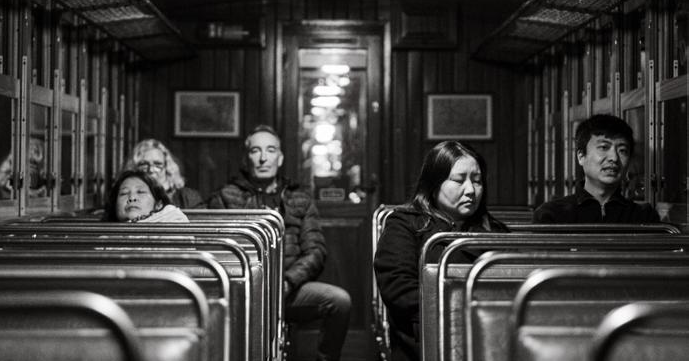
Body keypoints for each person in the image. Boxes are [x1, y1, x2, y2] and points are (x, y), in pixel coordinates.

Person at [207, 124, 351, 361]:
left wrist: (287, 282)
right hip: (241, 289)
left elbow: (315, 251)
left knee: (339, 301)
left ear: (280, 158)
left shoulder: (299, 199)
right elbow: (216, 249)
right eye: (256, 151)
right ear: (247, 158)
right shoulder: (225, 196)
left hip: (288, 289)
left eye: (270, 150)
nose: (263, 158)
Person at [373, 141, 508, 361]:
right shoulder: (405, 224)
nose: (470, 190)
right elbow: (398, 288)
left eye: (477, 181)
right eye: (459, 180)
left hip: (492, 335)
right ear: (434, 184)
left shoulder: (495, 231)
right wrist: (461, 311)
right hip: (426, 336)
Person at [533, 114, 660, 224]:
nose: (614, 158)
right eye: (604, 147)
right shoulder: (552, 215)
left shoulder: (643, 217)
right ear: (581, 156)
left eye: (622, 150)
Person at [125, 139, 205, 209]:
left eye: (157, 164)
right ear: (134, 168)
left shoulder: (188, 197)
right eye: (144, 164)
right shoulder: (127, 196)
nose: (151, 170)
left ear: (167, 167)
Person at [104, 169, 189, 223]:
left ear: (159, 204)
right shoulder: (103, 238)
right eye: (124, 193)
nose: (132, 198)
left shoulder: (174, 223)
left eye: (141, 192)